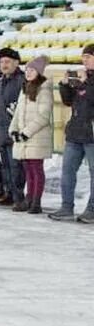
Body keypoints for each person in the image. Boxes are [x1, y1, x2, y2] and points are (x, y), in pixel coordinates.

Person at [50, 44, 94, 222]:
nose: (84, 60)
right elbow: (69, 102)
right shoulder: (82, 77)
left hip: (92, 133)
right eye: (83, 57)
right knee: (67, 170)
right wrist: (65, 86)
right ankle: (66, 206)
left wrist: (85, 83)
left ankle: (92, 209)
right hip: (75, 131)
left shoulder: (87, 80)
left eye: (88, 57)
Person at [10, 55, 53, 214]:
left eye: (32, 70)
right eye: (26, 69)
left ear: (39, 72)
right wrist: (13, 129)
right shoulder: (24, 88)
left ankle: (36, 201)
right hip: (24, 137)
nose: (28, 73)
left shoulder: (44, 89)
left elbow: (43, 116)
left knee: (36, 169)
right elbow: (17, 113)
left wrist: (26, 133)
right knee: (27, 169)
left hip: (36, 137)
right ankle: (29, 198)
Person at [0, 47, 26, 207]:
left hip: (14, 130)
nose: (4, 65)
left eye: (7, 62)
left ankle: (19, 196)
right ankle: (9, 194)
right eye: (2, 62)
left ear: (16, 63)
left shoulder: (22, 80)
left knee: (16, 166)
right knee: (4, 165)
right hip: (0, 129)